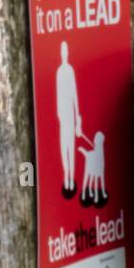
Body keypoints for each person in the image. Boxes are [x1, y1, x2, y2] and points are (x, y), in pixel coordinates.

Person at [55, 41, 81, 198]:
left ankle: (72, 176)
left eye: (65, 50)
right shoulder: (59, 71)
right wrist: (59, 113)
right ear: (61, 53)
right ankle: (66, 175)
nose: (64, 53)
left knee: (71, 146)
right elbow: (58, 94)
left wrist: (78, 116)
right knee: (63, 147)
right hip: (63, 114)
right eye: (62, 51)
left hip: (70, 115)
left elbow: (74, 94)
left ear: (67, 53)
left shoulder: (70, 70)